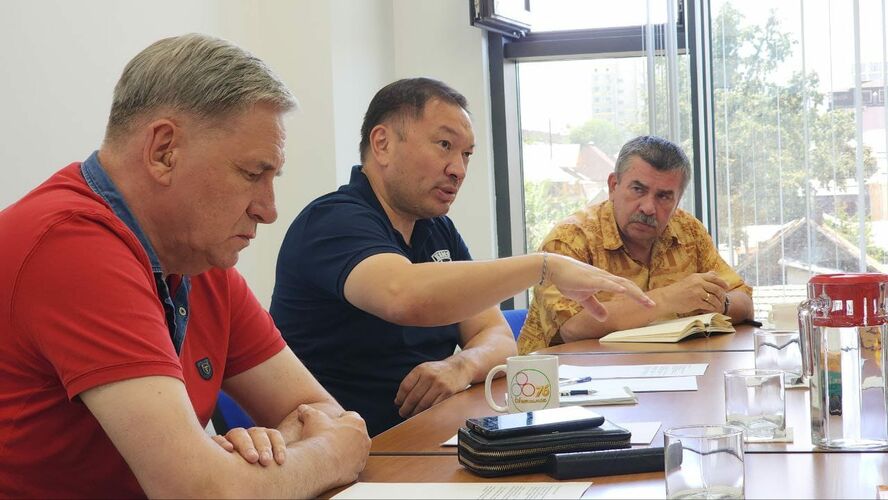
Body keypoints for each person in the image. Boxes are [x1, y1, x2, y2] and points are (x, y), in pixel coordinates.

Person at [0, 34, 369, 498]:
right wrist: (331, 455)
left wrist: (263, 458)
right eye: (252, 174)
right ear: (164, 151)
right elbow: (197, 491)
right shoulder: (71, 245)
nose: (269, 210)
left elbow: (318, 413)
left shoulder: (198, 259)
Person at [270, 78, 655, 436]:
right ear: (383, 144)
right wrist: (544, 265)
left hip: (429, 435)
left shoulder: (436, 228)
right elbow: (404, 295)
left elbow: (497, 336)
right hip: (352, 448)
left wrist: (461, 365)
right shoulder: (332, 220)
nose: (458, 169)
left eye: (466, 154)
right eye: (444, 145)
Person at [518, 135, 754, 354]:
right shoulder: (570, 239)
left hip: (668, 369)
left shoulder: (689, 230)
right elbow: (573, 327)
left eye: (664, 196)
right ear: (613, 186)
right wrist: (668, 299)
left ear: (677, 200)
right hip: (564, 379)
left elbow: (743, 301)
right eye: (638, 189)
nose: (648, 208)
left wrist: (719, 303)